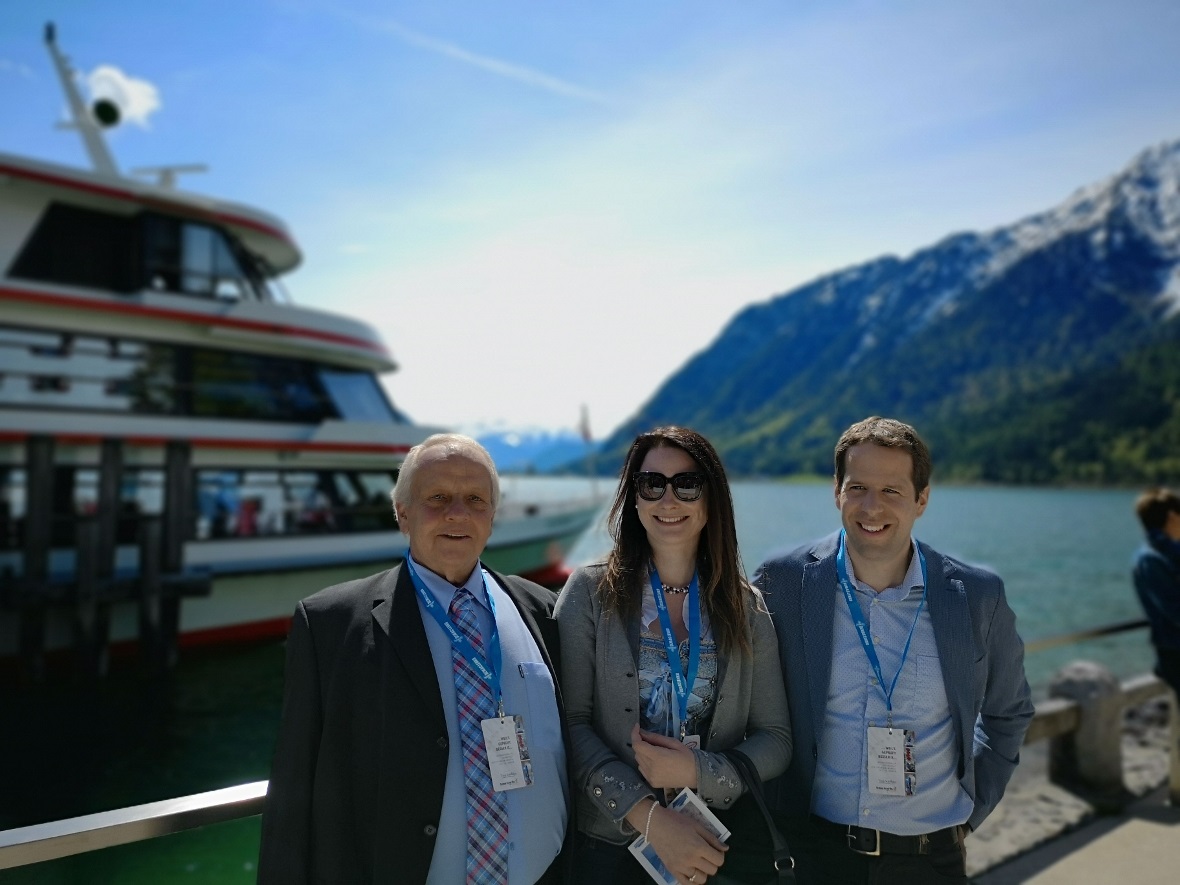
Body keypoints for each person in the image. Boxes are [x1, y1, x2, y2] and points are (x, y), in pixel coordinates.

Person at [258, 433, 570, 884]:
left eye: (474, 499)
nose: (457, 513)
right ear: (402, 513)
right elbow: (292, 794)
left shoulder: (544, 612)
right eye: (437, 497)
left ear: (492, 516)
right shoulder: (329, 625)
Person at [756, 416, 1034, 885]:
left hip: (931, 860)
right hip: (814, 855)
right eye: (858, 487)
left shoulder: (977, 596)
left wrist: (971, 810)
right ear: (836, 492)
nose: (872, 507)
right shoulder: (783, 583)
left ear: (921, 499)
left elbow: (1008, 713)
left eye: (892, 491)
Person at [555, 426, 792, 885]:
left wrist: (698, 771)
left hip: (712, 848)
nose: (669, 500)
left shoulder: (746, 609)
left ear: (711, 499)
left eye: (687, 484)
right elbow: (570, 724)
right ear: (634, 498)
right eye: (652, 484)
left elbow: (776, 739)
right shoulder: (588, 594)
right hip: (608, 850)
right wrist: (649, 818)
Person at [1132, 487, 1180, 697]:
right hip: (1175, 655)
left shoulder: (1170, 554)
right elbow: (1175, 610)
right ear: (1172, 517)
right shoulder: (1151, 560)